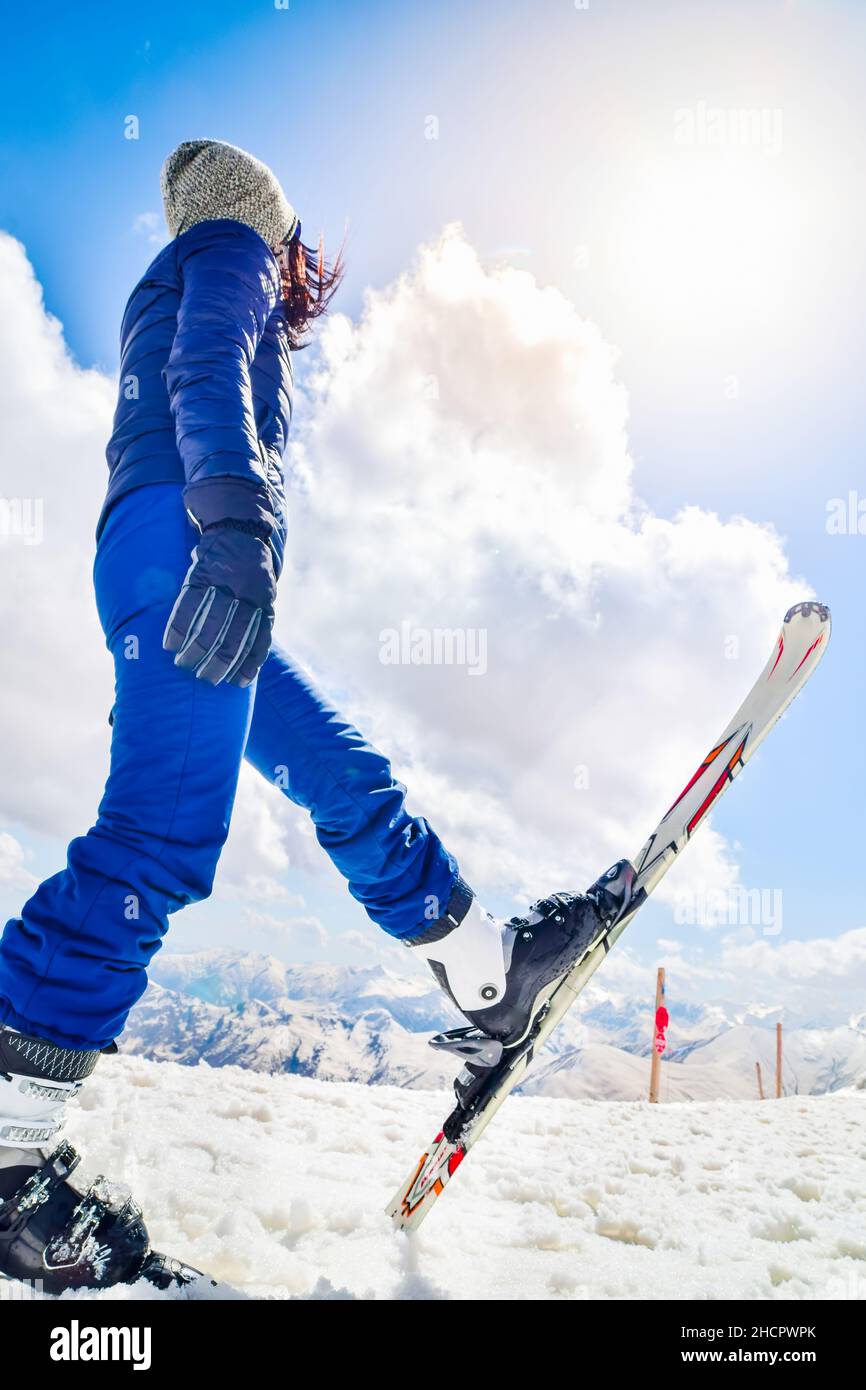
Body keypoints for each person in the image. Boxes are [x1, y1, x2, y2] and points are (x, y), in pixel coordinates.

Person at [0, 140, 633, 1291]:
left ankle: (488, 972)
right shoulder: (231, 241)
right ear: (276, 230)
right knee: (157, 835)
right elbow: (203, 369)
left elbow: (196, 370)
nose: (304, 290)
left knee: (338, 771)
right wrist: (238, 527)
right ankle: (3, 1154)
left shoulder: (189, 266)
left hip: (173, 545)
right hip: (191, 544)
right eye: (301, 263)